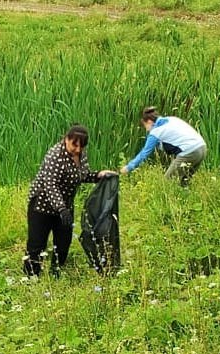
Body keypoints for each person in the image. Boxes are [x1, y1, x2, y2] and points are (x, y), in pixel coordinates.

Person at [23, 124, 117, 277]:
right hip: (42, 205)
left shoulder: (81, 155)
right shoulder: (54, 156)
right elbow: (50, 185)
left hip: (65, 205)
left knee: (63, 243)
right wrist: (61, 209)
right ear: (66, 139)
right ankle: (31, 276)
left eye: (82, 146)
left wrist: (98, 175)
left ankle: (56, 272)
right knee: (37, 244)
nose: (78, 150)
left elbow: (82, 175)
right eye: (75, 145)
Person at [120, 106, 207, 185]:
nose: (146, 129)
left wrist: (128, 167)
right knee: (184, 182)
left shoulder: (156, 132)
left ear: (149, 122)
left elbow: (144, 153)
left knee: (167, 183)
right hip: (202, 148)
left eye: (145, 126)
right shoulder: (171, 119)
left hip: (189, 152)